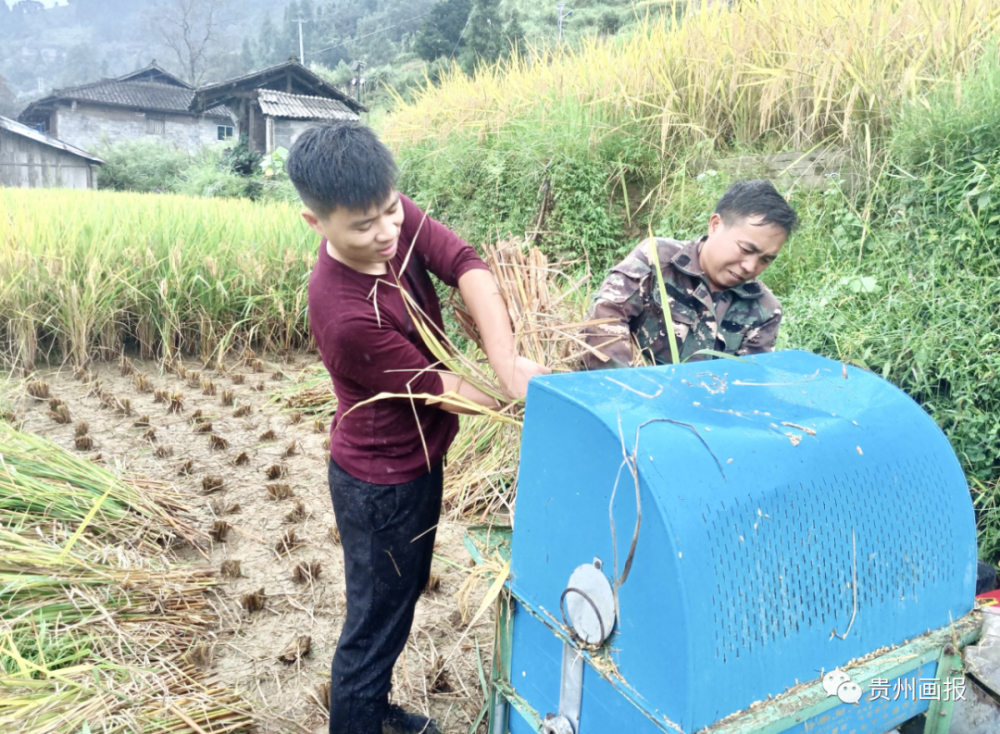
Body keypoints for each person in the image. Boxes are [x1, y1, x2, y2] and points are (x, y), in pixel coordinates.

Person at [286, 122, 549, 734]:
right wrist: (535, 397)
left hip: (419, 461)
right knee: (376, 624)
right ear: (315, 223)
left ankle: (375, 711)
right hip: (382, 485)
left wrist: (509, 363)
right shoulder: (345, 313)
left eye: (388, 212)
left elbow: (465, 264)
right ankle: (359, 716)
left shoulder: (385, 212)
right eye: (362, 225)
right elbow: (446, 389)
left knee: (393, 610)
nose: (385, 232)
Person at [582, 179, 799, 369]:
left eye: (765, 259)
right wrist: (633, 395)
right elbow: (604, 323)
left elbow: (747, 382)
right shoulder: (656, 260)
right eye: (746, 249)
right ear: (715, 225)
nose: (751, 267)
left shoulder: (765, 310)